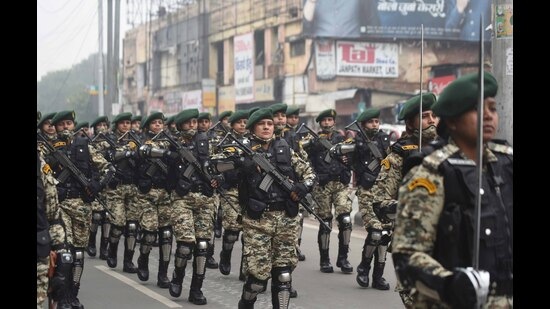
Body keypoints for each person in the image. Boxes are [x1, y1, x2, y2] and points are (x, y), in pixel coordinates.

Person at [392, 72, 513, 308]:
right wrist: (452, 285)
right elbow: (407, 256)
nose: (488, 116)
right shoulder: (431, 173)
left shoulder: (506, 166)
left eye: (492, 108)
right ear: (452, 121)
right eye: (477, 109)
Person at [235, 108, 316, 309]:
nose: (266, 127)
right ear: (253, 127)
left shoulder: (285, 149)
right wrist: (243, 164)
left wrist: (302, 187)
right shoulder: (241, 149)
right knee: (257, 279)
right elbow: (216, 166)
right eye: (261, 124)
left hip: (286, 220)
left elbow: (310, 173)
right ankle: (246, 304)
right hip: (257, 221)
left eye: (269, 124)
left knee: (284, 275)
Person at [366, 93, 440, 298]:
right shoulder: (399, 156)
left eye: (434, 115)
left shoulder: (450, 151)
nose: (432, 120)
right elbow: (381, 204)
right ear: (410, 122)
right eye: (425, 116)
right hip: (414, 244)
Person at [43, 110, 112, 309]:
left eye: (69, 124)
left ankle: (74, 295)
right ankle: (62, 297)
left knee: (79, 255)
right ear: (55, 128)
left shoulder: (85, 147)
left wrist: (97, 185)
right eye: (61, 124)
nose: (66, 127)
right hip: (60, 207)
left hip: (82, 207)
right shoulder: (46, 149)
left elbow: (108, 168)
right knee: (66, 253)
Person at [330, 107, 392, 287]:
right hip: (366, 191)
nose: (375, 125)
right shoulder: (356, 141)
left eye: (377, 121)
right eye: (371, 122)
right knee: (375, 233)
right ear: (363, 125)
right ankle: (364, 268)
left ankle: (378, 276)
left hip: (386, 193)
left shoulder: (384, 140)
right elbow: (335, 151)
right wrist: (352, 150)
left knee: (385, 235)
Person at [302, 109, 353, 274]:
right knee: (325, 223)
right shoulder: (312, 140)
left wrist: (347, 161)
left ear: (334, 122)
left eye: (330, 120)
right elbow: (303, 157)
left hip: (340, 184)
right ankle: (325, 260)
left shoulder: (342, 139)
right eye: (324, 120)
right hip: (322, 186)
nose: (327, 123)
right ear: (319, 123)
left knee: (345, 220)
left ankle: (343, 258)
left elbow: (353, 155)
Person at [303, 0, 369, 38]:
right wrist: (311, 2)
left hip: (353, 49)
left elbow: (372, 23)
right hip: (322, 50)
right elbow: (306, 28)